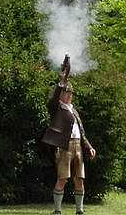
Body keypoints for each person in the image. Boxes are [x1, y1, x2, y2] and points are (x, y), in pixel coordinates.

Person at [42, 58, 96, 215]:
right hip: (64, 146)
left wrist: (89, 147)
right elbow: (56, 93)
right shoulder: (56, 108)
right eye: (67, 92)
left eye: (70, 92)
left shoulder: (74, 111)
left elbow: (81, 133)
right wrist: (63, 79)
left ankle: (79, 210)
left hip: (78, 146)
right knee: (63, 179)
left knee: (79, 179)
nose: (69, 94)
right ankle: (57, 210)